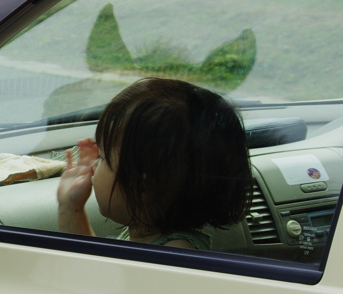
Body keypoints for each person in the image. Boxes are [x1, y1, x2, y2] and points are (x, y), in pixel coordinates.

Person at [57, 78, 251, 250]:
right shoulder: (147, 237)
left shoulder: (173, 256)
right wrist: (71, 207)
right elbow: (97, 267)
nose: (93, 168)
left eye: (103, 159)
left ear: (141, 185)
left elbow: (95, 281)